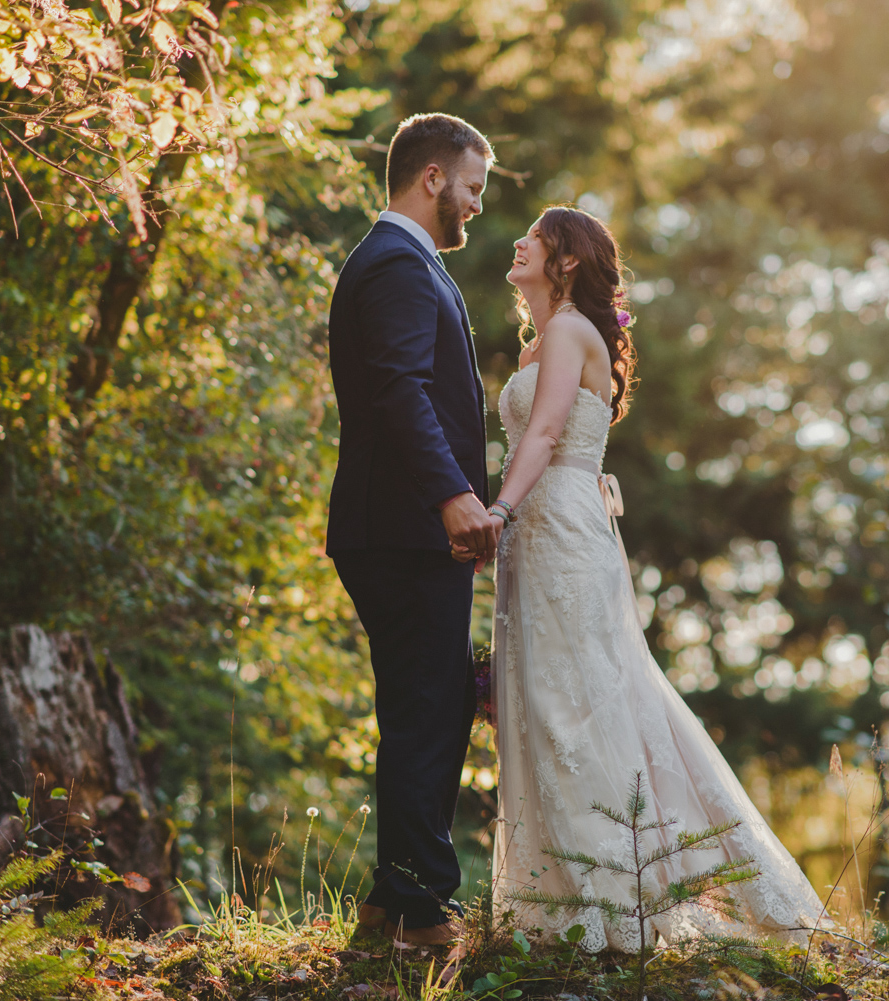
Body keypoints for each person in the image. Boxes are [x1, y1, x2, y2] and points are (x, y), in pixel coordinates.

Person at [483, 205, 829, 952]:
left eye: (533, 237)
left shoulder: (572, 332)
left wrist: (498, 510)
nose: (518, 242)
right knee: (544, 699)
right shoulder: (543, 342)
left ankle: (618, 899)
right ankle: (565, 900)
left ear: (566, 260)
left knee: (581, 701)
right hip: (537, 531)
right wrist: (508, 521)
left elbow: (544, 434)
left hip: (561, 527)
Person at [325, 112, 500, 948]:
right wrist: (451, 497)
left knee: (422, 707)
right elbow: (400, 390)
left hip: (394, 524)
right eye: (471, 188)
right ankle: (428, 913)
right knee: (430, 706)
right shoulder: (396, 261)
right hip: (402, 523)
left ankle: (391, 903)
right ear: (432, 178)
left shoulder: (400, 260)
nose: (474, 205)